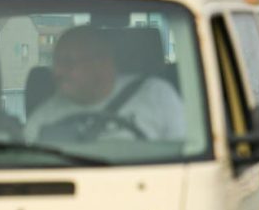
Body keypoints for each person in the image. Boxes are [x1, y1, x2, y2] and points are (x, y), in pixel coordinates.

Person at [25, 25, 185, 142]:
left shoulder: (157, 95)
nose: (57, 72)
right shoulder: (42, 120)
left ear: (102, 64)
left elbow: (185, 154)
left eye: (68, 62)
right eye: (56, 63)